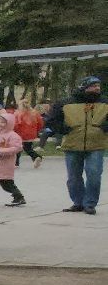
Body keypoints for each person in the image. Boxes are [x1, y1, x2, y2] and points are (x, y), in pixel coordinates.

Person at [46, 76, 105, 214]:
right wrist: (63, 129)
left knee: (94, 174)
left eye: (98, 85)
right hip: (72, 145)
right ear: (84, 87)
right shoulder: (65, 103)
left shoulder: (105, 102)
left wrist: (105, 127)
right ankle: (78, 202)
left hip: (97, 144)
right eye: (93, 85)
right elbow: (51, 120)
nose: (97, 88)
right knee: (74, 177)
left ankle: (90, 204)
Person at [11, 99, 44, 168]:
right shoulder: (35, 113)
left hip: (20, 134)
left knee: (18, 148)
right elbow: (41, 123)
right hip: (31, 134)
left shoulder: (17, 113)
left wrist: (12, 131)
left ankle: (16, 163)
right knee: (28, 148)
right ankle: (35, 158)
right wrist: (37, 131)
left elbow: (15, 125)